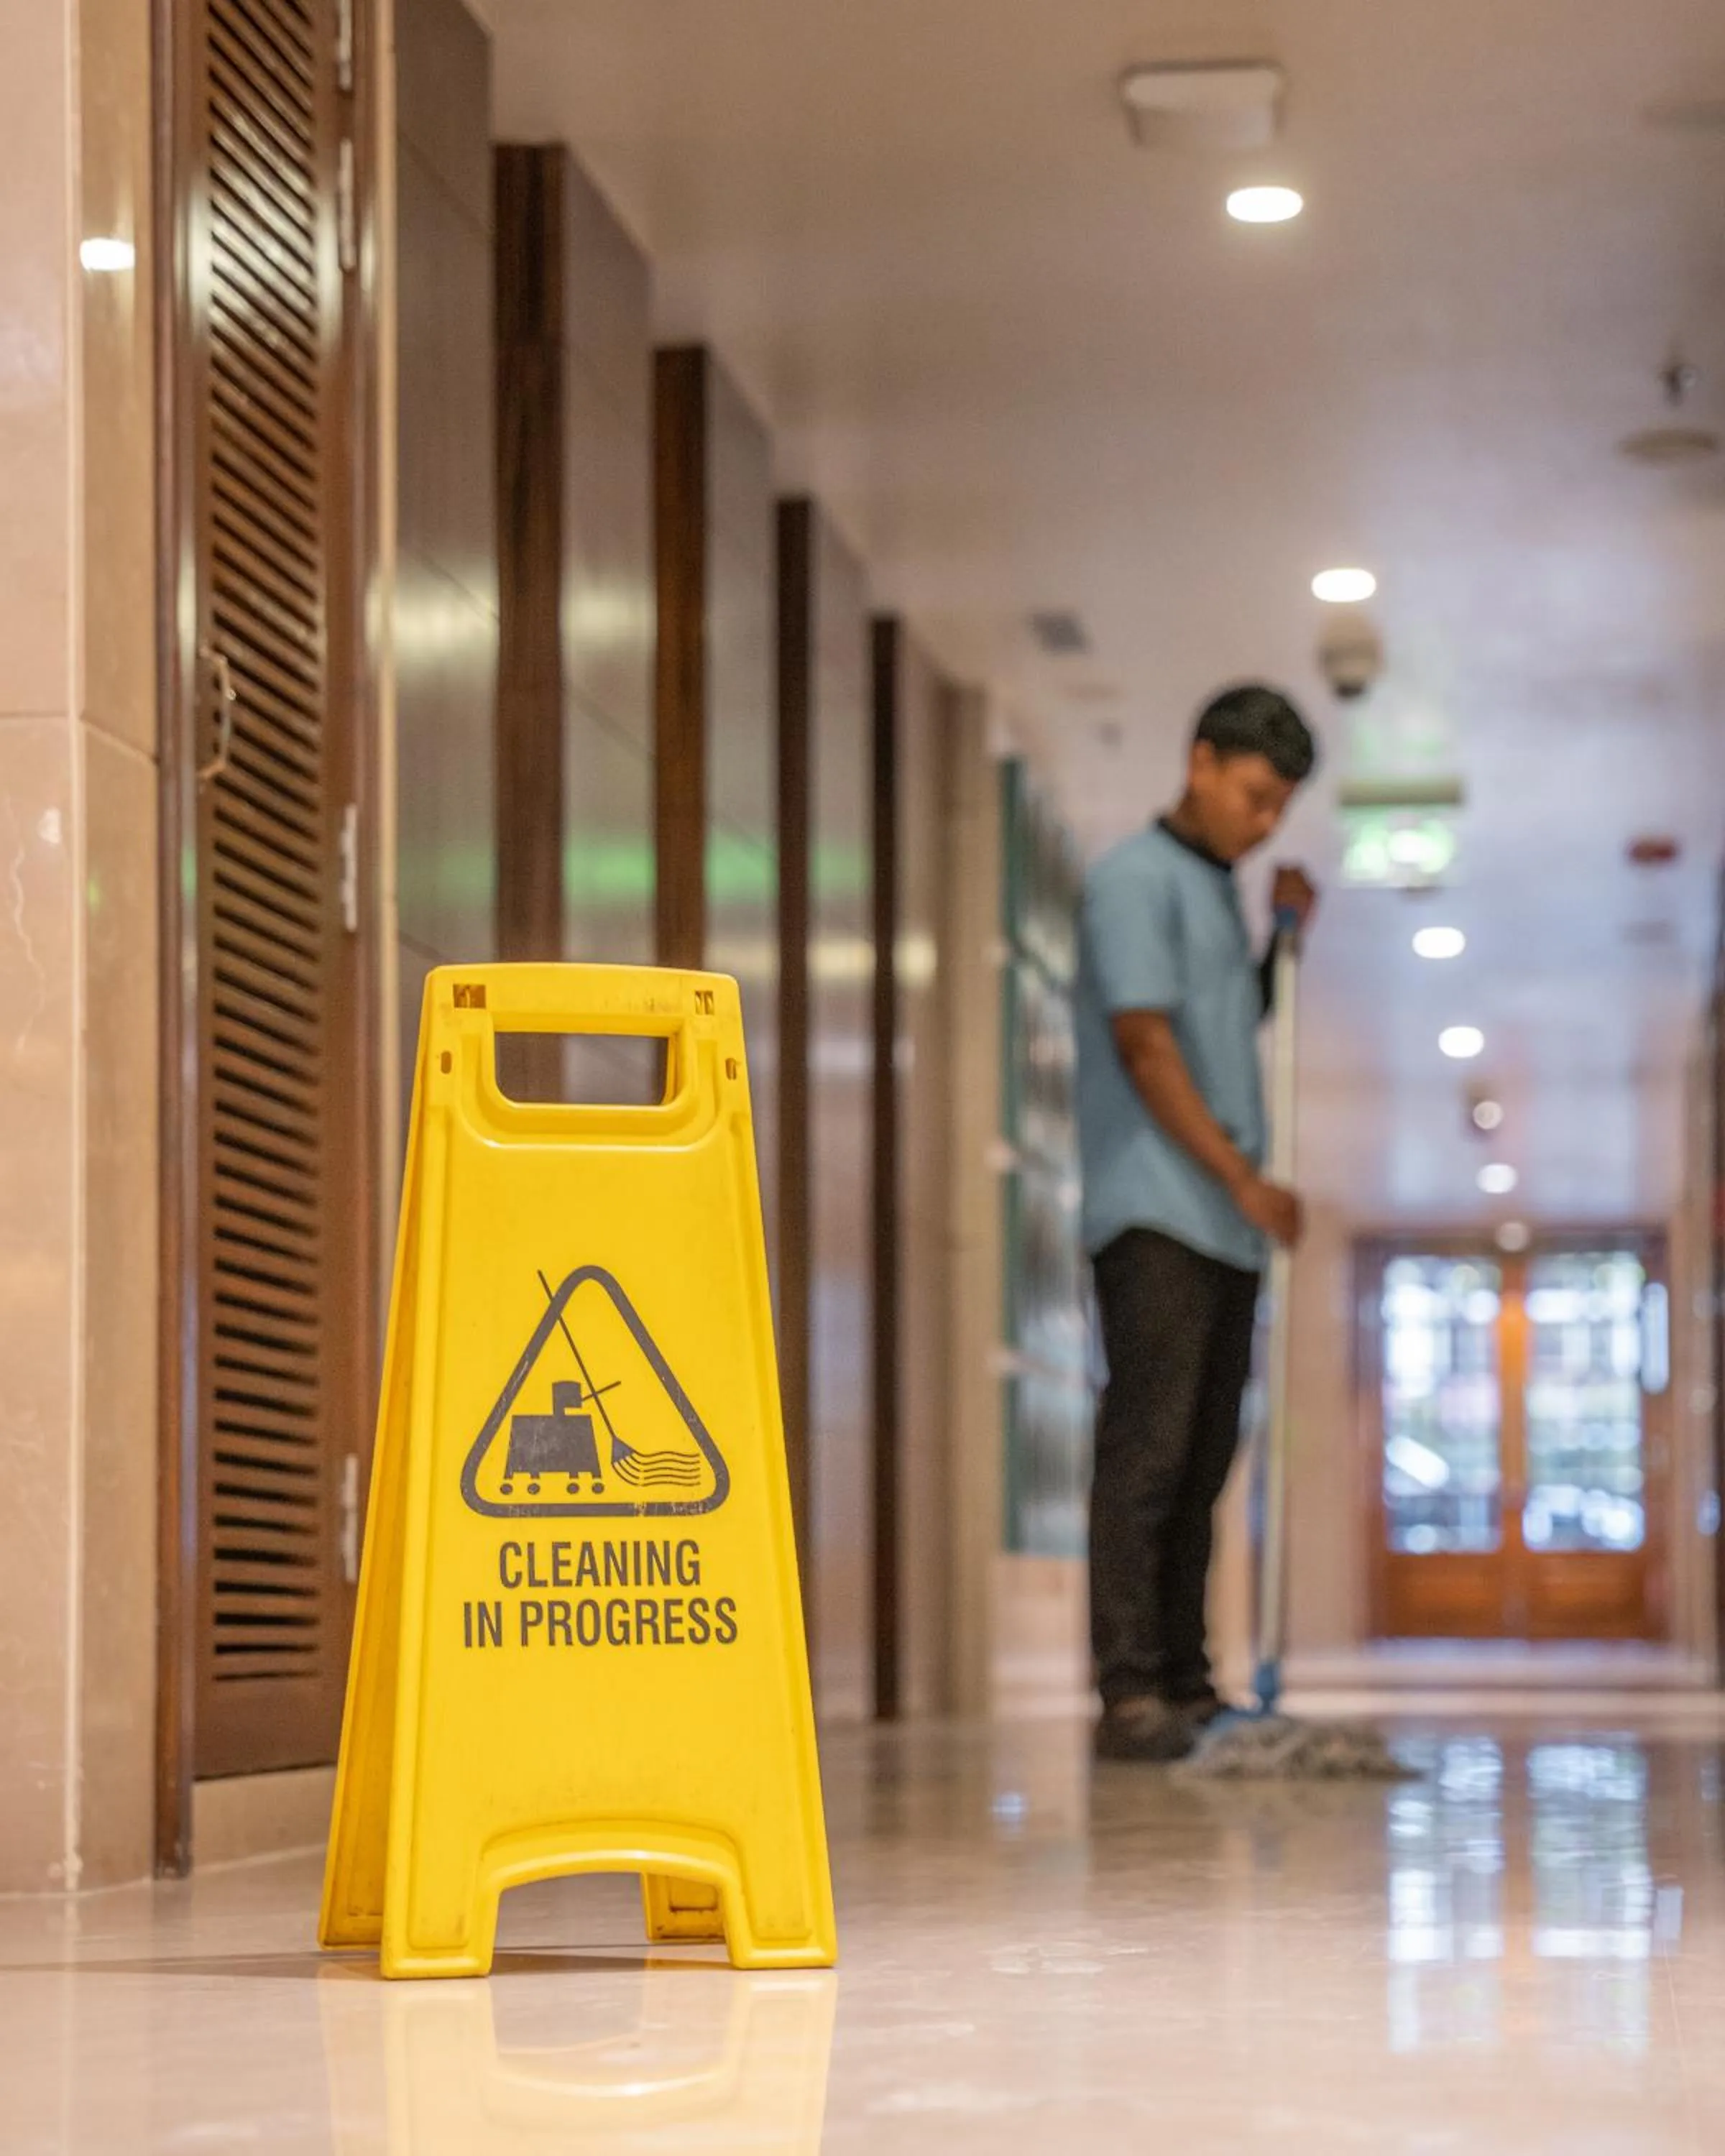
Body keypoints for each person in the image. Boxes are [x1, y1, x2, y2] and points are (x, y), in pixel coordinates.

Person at [1075, 683, 1318, 1762]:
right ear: (1201, 761)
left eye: (1281, 810)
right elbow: (1146, 1044)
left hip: (1221, 1223)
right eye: (1256, 797)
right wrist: (1244, 1180)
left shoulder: (1217, 895)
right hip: (1160, 1212)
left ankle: (1187, 1680)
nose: (1265, 824)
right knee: (1150, 1455)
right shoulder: (1134, 881)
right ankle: (1129, 1690)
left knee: (1206, 1458)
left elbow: (1228, 1020)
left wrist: (1280, 939)